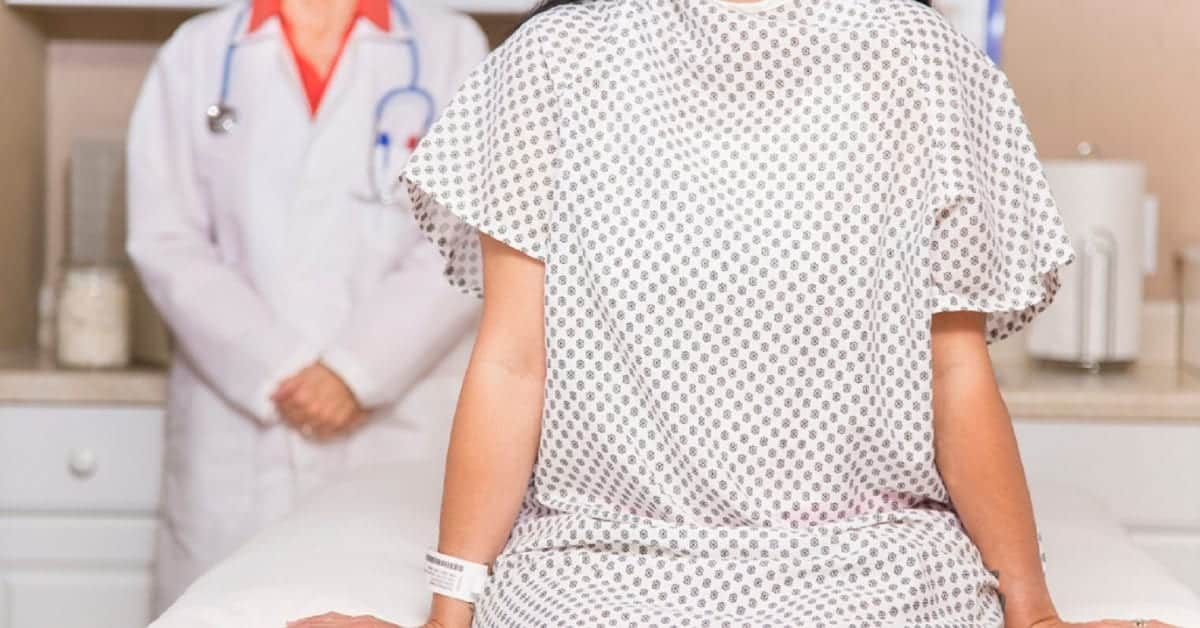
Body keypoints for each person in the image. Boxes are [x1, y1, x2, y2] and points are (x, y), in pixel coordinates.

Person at [291, 0, 1174, 626]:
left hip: (873, 573)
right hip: (598, 570)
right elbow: (514, 361)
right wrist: (452, 613)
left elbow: (953, 369)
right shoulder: (552, 61)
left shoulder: (920, 60)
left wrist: (1032, 606)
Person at [126, 0, 487, 612]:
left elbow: (469, 238)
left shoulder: (453, 47)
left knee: (382, 601)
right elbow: (166, 239)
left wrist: (356, 370)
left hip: (398, 421)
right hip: (241, 422)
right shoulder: (198, 52)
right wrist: (280, 364)